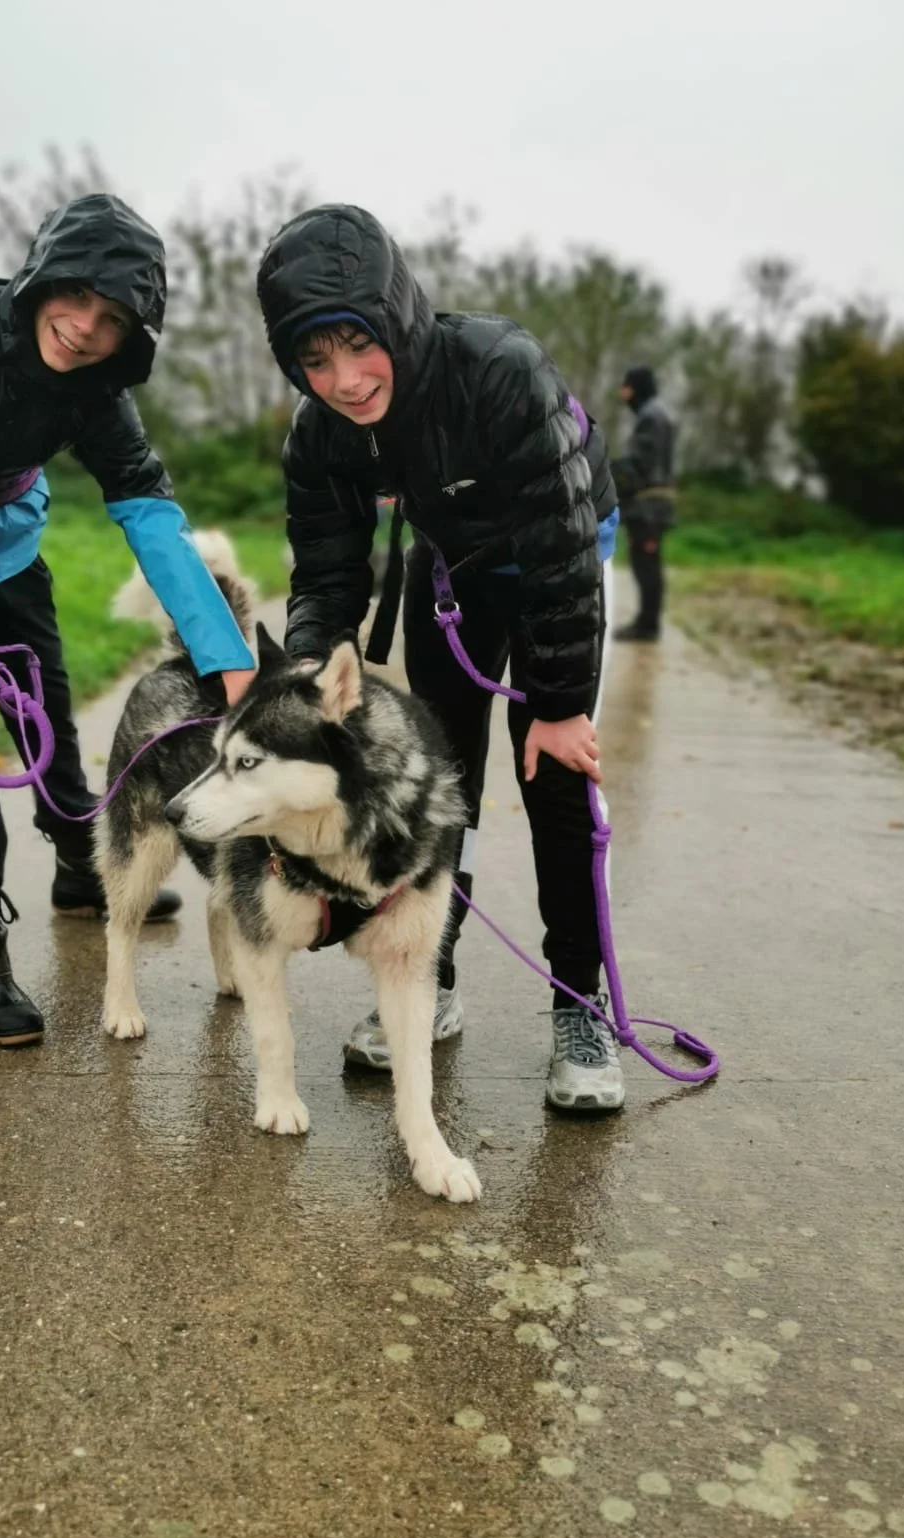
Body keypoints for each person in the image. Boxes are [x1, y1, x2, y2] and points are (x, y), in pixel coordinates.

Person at [0, 193, 256, 1047]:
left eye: (112, 320)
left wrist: (225, 653)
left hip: (1, 536)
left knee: (46, 702)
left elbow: (150, 513)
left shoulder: (100, 390)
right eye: (76, 296)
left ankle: (80, 863)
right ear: (42, 276)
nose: (83, 328)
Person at [256, 204, 627, 1112]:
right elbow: (329, 576)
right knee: (436, 777)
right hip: (451, 565)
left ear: (394, 315)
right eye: (315, 361)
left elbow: (560, 544)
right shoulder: (320, 433)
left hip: (561, 552)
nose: (342, 380)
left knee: (554, 774)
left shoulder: (498, 368)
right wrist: (308, 688)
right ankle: (431, 979)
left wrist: (563, 701)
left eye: (357, 347)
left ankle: (581, 1006)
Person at [612, 365, 677, 642]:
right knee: (647, 562)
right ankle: (647, 622)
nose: (622, 393)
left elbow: (640, 465)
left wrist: (608, 471)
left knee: (646, 563)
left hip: (649, 505)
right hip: (654, 503)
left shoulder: (651, 417)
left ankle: (647, 626)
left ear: (635, 387)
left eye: (625, 386)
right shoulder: (657, 413)